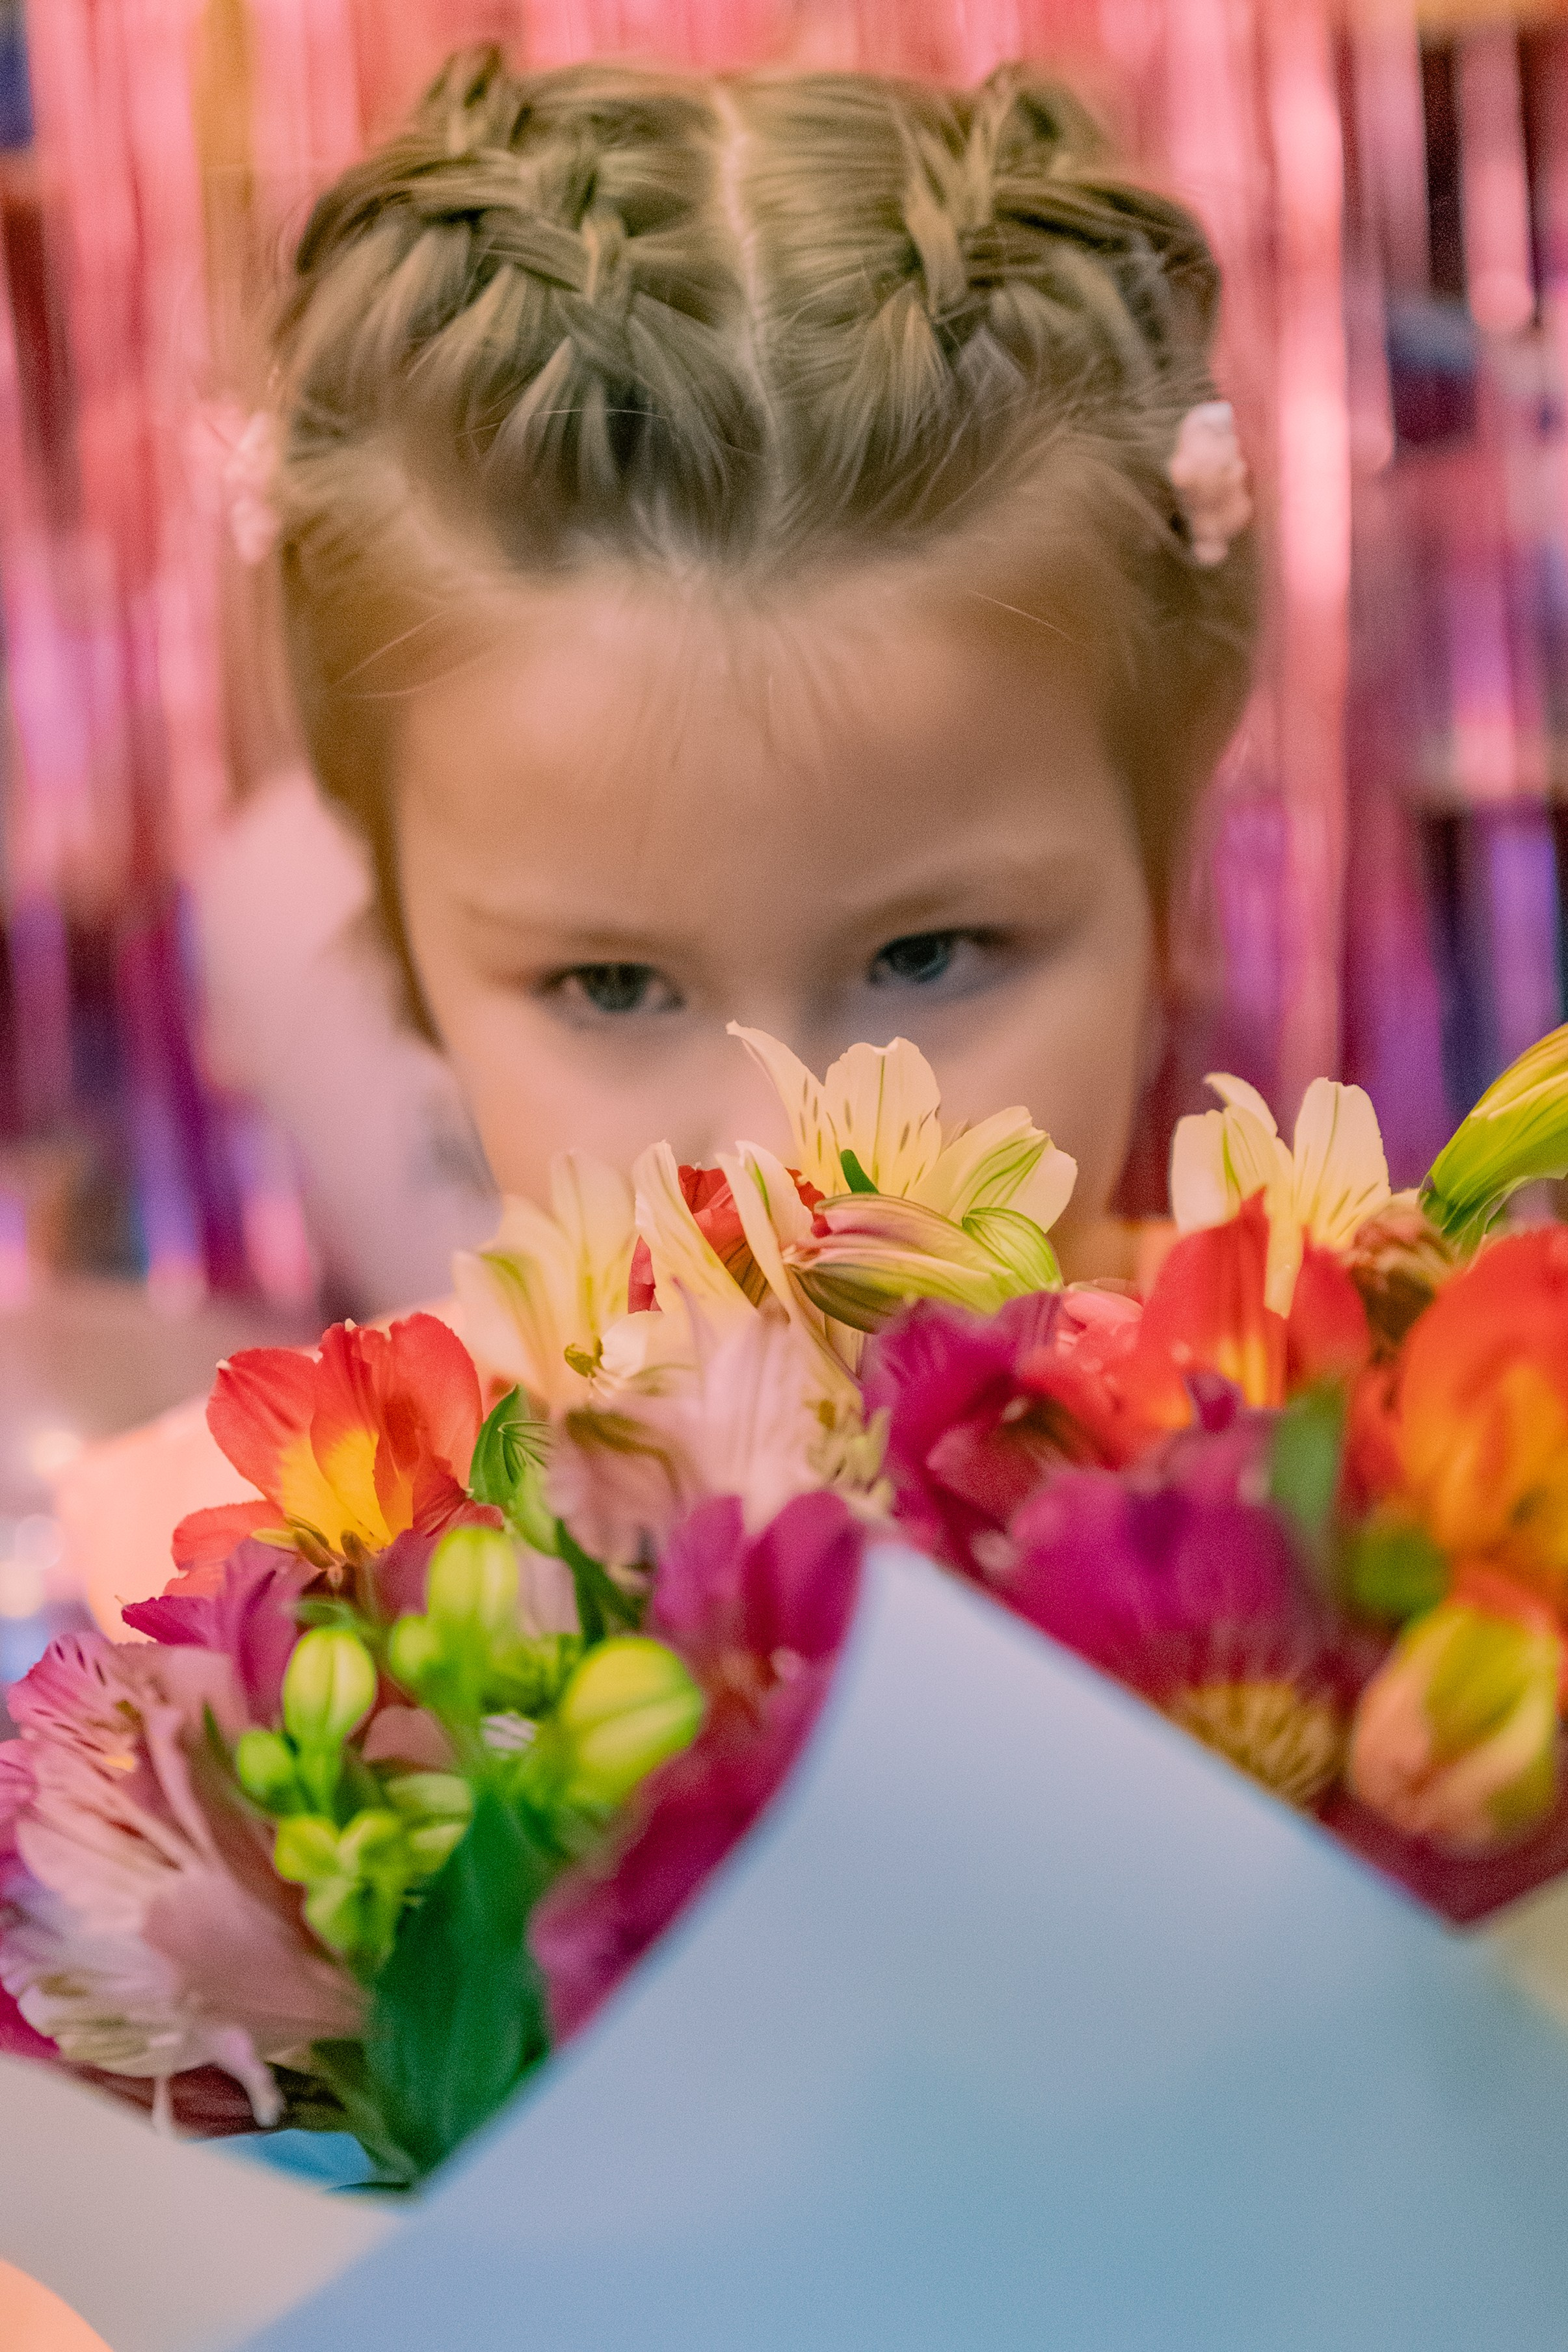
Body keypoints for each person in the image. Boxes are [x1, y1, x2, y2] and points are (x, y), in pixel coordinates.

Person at [54, 46, 1257, 1626]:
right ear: (409, 960)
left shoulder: (1376, 1520)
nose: (779, 1182)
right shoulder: (278, 1615)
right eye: (613, 985)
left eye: (929, 955)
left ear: (1168, 892)